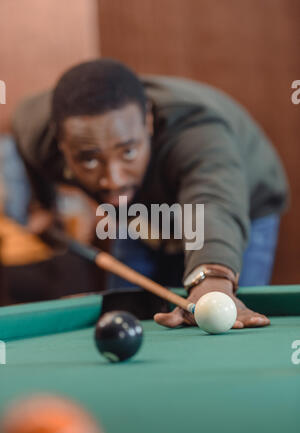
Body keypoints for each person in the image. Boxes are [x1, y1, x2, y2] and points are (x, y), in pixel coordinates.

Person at [11, 59, 289, 329]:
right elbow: (27, 148)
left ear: (149, 122)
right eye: (89, 159)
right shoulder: (37, 131)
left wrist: (212, 280)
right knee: (124, 314)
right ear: (60, 143)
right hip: (138, 210)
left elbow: (213, 205)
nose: (112, 179)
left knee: (230, 314)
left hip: (240, 205)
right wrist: (45, 206)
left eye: (128, 152)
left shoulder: (196, 133)